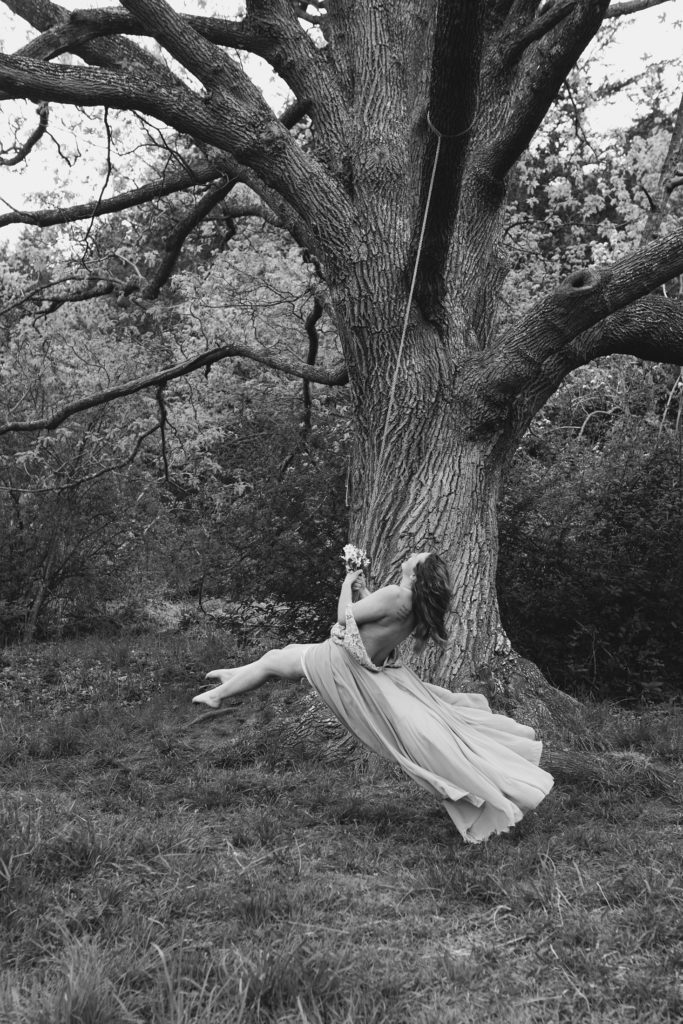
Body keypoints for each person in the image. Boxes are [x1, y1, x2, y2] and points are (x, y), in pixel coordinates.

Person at [192, 552, 554, 844]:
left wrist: (347, 583)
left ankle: (220, 693)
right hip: (360, 668)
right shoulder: (413, 605)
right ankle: (232, 677)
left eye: (417, 555)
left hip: (340, 664)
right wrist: (365, 592)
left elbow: (343, 619)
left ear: (415, 572)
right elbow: (377, 622)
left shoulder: (397, 594)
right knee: (280, 653)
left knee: (274, 660)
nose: (413, 553)